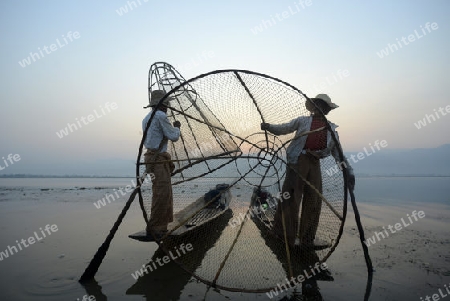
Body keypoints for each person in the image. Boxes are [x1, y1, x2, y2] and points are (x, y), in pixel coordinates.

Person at [261, 94, 355, 248]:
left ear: (326, 110)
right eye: (317, 104)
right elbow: (284, 128)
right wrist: (269, 127)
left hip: (314, 162)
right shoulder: (303, 121)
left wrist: (348, 171)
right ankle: (283, 233)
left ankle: (307, 238)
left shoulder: (331, 129)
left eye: (323, 106)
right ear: (313, 107)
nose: (320, 108)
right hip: (298, 160)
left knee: (314, 199)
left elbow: (338, 154)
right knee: (291, 197)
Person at [142, 90, 181, 238]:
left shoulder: (146, 118)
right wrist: (177, 127)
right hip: (157, 159)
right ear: (162, 104)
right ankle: (156, 228)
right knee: (162, 193)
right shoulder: (160, 115)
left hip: (152, 159)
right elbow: (173, 136)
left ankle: (161, 225)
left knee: (160, 191)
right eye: (166, 104)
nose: (167, 107)